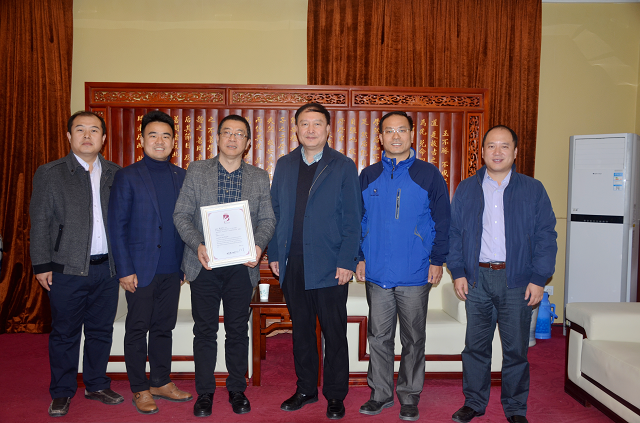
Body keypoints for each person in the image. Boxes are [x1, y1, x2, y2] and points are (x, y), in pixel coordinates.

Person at [448, 125, 557, 423]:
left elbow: (546, 236)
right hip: (477, 280)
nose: (497, 152)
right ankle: (474, 402)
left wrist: (539, 278)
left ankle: (516, 408)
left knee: (516, 350)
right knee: (475, 347)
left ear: (515, 152)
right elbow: (455, 234)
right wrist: (458, 272)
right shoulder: (467, 188)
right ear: (482, 152)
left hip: (518, 280)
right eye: (491, 146)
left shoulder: (533, 189)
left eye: (504, 146)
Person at [173, 114, 275, 418]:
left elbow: (268, 219)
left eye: (239, 134)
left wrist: (258, 247)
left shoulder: (258, 176)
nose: (232, 138)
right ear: (217, 138)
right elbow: (181, 215)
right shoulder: (197, 170)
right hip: (204, 264)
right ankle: (204, 392)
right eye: (227, 132)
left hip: (241, 267)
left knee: (237, 330)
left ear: (247, 143)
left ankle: (236, 389)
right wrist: (198, 245)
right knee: (204, 331)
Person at [268, 102, 362, 420]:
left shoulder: (342, 165)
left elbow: (353, 218)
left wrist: (347, 260)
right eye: (304, 124)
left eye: (317, 123)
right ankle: (306, 389)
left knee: (334, 333)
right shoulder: (284, 164)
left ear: (328, 129)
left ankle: (335, 395)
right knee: (302, 331)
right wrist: (275, 254)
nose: (310, 129)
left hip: (330, 264)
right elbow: (275, 213)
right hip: (293, 262)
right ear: (296, 129)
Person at [355, 111, 451, 421]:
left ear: (412, 134)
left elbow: (442, 220)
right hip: (377, 273)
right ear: (380, 137)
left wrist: (437, 259)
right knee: (379, 338)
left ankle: (410, 396)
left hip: (415, 272)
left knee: (413, 339)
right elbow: (358, 220)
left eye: (401, 130)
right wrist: (358, 257)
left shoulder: (429, 174)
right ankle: (380, 394)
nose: (395, 136)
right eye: (389, 131)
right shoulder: (368, 175)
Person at [30, 111, 124, 417]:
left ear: (103, 138)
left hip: (107, 270)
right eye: (80, 130)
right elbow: (40, 221)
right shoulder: (51, 173)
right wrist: (41, 264)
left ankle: (96, 384)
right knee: (65, 333)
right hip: (66, 269)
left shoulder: (115, 173)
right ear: (69, 136)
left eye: (94, 130)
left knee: (101, 331)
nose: (87, 135)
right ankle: (61, 391)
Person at [107, 110, 191, 414]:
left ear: (173, 142)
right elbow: (117, 226)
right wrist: (124, 269)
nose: (160, 141)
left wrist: (184, 265)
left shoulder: (181, 176)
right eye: (153, 135)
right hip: (139, 270)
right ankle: (139, 388)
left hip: (172, 269)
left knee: (163, 328)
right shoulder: (127, 176)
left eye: (166, 136)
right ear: (142, 140)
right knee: (137, 328)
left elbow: (187, 223)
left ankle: (160, 381)